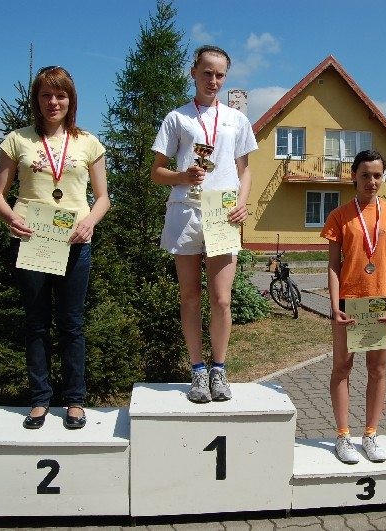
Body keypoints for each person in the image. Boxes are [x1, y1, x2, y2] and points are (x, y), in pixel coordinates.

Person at [0, 66, 110, 430]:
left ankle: (75, 400)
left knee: (72, 325)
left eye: (60, 95)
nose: (53, 102)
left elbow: (103, 198)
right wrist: (11, 217)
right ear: (37, 100)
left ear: (71, 100)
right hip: (32, 241)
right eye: (46, 95)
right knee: (37, 324)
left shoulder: (89, 142)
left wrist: (90, 222)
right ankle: (40, 400)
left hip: (75, 243)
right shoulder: (17, 140)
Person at [150, 45, 257, 403]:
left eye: (220, 75)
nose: (213, 80)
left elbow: (245, 171)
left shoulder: (237, 120)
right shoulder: (177, 118)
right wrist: (182, 175)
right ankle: (197, 370)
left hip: (222, 213)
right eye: (207, 73)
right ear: (194, 72)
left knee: (222, 299)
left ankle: (219, 369)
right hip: (186, 211)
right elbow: (157, 172)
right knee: (190, 296)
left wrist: (242, 204)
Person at [320, 150, 386, 464]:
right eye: (365, 175)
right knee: (342, 369)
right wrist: (335, 305)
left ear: (383, 177)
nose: (371, 181)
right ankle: (343, 435)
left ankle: (370, 434)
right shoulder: (339, 215)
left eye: (377, 175)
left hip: (380, 304)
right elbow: (333, 265)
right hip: (349, 304)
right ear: (353, 177)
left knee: (377, 370)